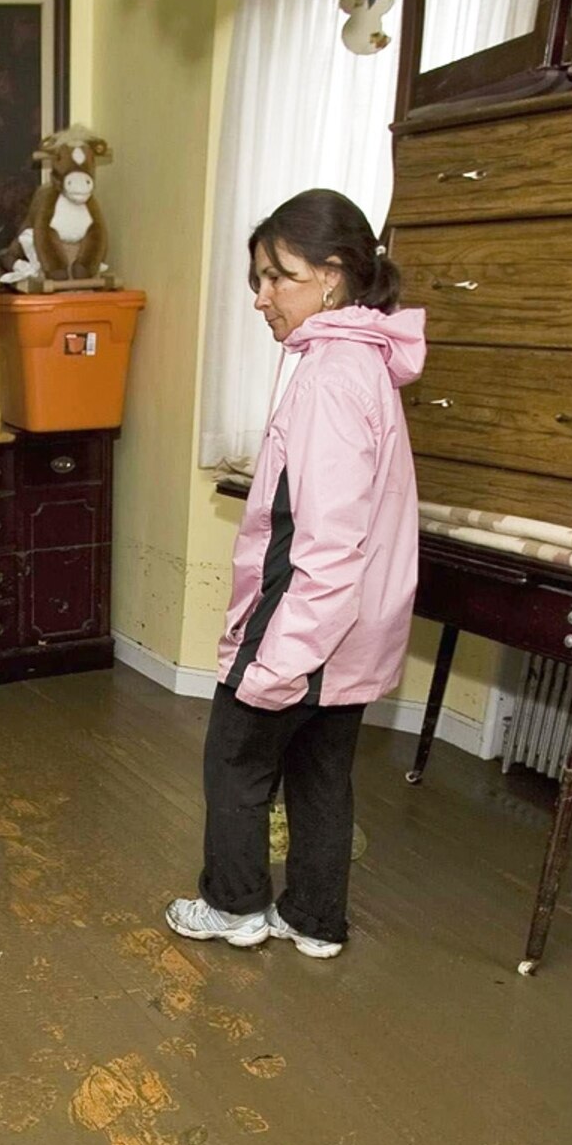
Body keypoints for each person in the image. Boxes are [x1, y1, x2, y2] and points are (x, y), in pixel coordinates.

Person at [166, 189, 423, 959]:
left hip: (304, 622)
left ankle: (235, 904)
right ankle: (313, 916)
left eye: (277, 276)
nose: (261, 297)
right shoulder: (364, 364)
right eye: (257, 279)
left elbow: (328, 540)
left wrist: (279, 658)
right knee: (320, 770)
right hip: (352, 632)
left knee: (236, 758)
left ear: (333, 277)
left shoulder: (333, 376)